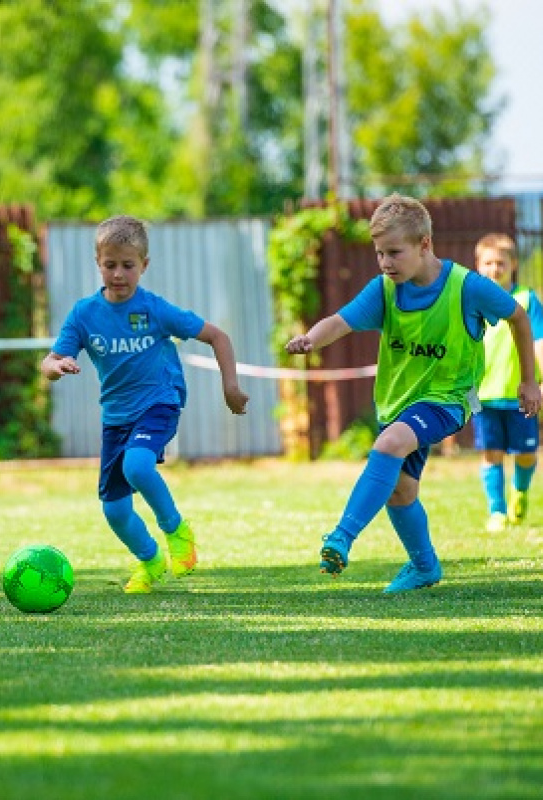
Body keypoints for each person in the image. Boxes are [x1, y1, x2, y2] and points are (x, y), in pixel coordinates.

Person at [285, 194, 542, 594]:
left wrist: (529, 381)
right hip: (400, 401)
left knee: (390, 443)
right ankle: (424, 566)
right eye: (379, 254)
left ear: (425, 244)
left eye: (393, 253)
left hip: (449, 399)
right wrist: (310, 339)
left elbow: (518, 317)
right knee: (400, 491)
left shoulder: (467, 287)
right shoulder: (386, 289)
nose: (385, 263)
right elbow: (341, 321)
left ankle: (341, 536)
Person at [41, 215, 249, 594]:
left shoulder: (155, 310)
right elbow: (49, 362)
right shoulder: (84, 314)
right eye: (110, 265)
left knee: (137, 465)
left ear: (144, 266)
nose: (118, 274)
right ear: (98, 263)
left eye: (127, 265)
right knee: (115, 511)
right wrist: (57, 366)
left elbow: (217, 337)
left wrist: (230, 388)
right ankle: (150, 561)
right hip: (116, 417)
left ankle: (177, 531)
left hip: (160, 401)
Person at [472, 233, 543, 532]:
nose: (494, 269)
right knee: (491, 453)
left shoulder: (526, 299)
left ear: (513, 264)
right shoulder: (471, 301)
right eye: (487, 263)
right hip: (482, 394)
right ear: (478, 265)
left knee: (526, 453)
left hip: (520, 395)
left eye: (500, 262)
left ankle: (520, 492)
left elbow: (539, 341)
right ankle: (497, 511)